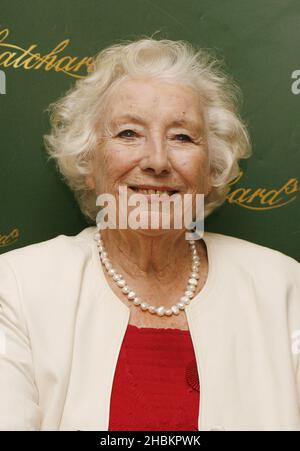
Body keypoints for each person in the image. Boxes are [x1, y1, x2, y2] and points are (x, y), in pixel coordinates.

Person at [0, 37, 299, 431]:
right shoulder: (16, 287)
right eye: (128, 133)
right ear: (89, 160)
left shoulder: (285, 288)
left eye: (182, 137)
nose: (157, 160)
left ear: (211, 168)